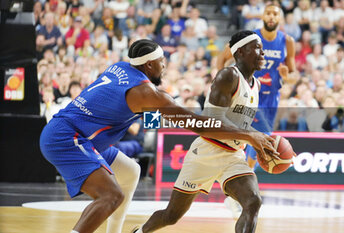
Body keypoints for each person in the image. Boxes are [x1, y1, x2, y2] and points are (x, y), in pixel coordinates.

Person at [40, 39, 277, 233]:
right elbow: (200, 126)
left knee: (131, 171)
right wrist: (250, 136)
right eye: (162, 61)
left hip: (79, 135)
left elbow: (137, 114)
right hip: (68, 138)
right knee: (111, 196)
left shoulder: (120, 68)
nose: (165, 66)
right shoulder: (148, 93)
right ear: (150, 65)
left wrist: (169, 115)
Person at [133, 31, 278, 233]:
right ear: (241, 52)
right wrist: (250, 136)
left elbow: (240, 123)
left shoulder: (257, 85)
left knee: (253, 202)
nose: (263, 53)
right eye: (257, 48)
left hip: (234, 155)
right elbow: (213, 123)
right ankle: (140, 231)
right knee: (171, 216)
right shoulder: (228, 76)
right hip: (206, 152)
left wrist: (260, 139)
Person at [217, 3, 296, 169]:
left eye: (275, 14)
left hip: (272, 96)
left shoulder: (287, 41)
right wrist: (221, 79)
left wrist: (286, 75)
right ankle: (246, 171)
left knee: (254, 136)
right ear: (263, 16)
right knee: (262, 134)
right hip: (250, 94)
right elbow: (223, 56)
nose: (272, 17)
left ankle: (242, 170)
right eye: (268, 13)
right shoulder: (250, 38)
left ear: (280, 18)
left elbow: (294, 75)